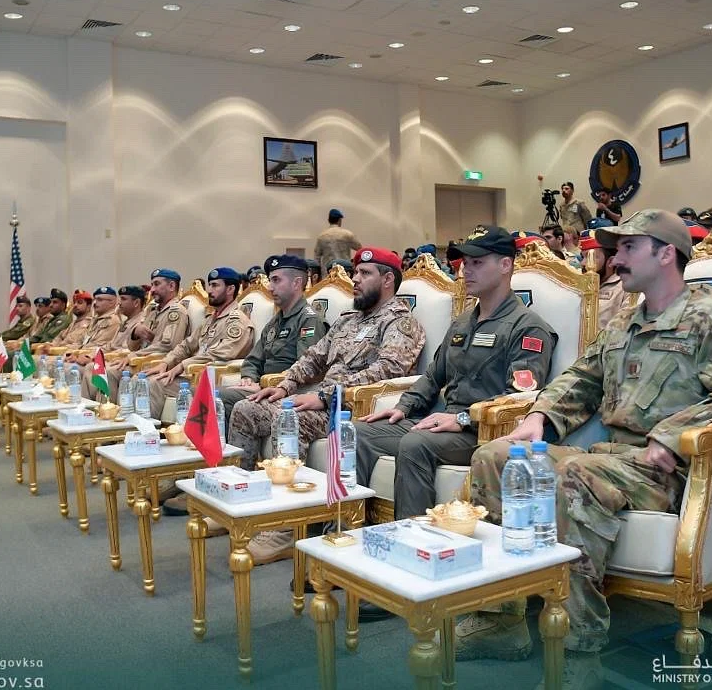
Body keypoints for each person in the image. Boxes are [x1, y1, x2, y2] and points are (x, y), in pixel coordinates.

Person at [460, 210, 712, 690]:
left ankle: (580, 656)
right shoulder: (625, 322)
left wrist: (673, 434)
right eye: (618, 248)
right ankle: (503, 622)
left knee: (574, 474)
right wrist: (540, 416)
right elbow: (581, 378)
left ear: (666, 254)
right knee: (495, 456)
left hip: (668, 470)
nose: (616, 258)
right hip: (609, 457)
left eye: (629, 247)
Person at [227, 247, 426, 564]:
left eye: (364, 274)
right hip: (322, 401)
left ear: (388, 279)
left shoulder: (401, 323)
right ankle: (251, 504)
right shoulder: (348, 320)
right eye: (355, 272)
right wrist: (284, 385)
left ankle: (286, 525)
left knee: (290, 420)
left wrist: (325, 396)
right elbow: (313, 357)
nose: (355, 279)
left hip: (354, 410)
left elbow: (388, 370)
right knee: (247, 409)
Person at [354, 225, 557, 521]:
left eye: (477, 263)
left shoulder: (528, 328)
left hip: (486, 432)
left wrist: (462, 419)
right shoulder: (462, 323)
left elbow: (518, 399)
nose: (465, 271)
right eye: (465, 263)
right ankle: (352, 529)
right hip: (445, 423)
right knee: (356, 432)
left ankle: (416, 537)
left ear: (505, 265)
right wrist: (403, 407)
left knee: (416, 443)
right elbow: (433, 376)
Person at [216, 255, 327, 428]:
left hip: (285, 391)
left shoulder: (308, 320)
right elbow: (253, 359)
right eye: (270, 281)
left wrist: (267, 383)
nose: (269, 287)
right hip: (263, 388)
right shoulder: (275, 321)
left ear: (296, 283)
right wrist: (249, 379)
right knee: (205, 393)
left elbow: (307, 368)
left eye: (276, 280)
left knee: (215, 398)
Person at [144, 267, 254, 419]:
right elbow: (186, 345)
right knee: (145, 380)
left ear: (230, 289)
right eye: (209, 285)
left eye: (215, 285)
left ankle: (151, 430)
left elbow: (220, 354)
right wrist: (166, 362)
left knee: (155, 383)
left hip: (211, 379)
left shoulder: (237, 322)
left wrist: (183, 365)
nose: (209, 290)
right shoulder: (210, 319)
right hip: (193, 375)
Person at [99, 269, 191, 399]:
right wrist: (135, 334)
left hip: (158, 361)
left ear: (171, 286)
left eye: (157, 284)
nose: (152, 290)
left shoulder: (176, 312)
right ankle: (103, 408)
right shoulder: (152, 312)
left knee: (110, 372)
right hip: (142, 359)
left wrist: (134, 356)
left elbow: (167, 346)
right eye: (152, 285)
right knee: (102, 368)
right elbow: (132, 346)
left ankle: (113, 409)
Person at [580, 231, 632, 327]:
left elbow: (624, 327)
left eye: (590, 257)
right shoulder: (577, 285)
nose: (583, 263)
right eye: (582, 257)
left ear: (611, 261)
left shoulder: (626, 288)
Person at [61, 287, 122, 360]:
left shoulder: (112, 320)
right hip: (85, 355)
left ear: (111, 302)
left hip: (95, 358)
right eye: (95, 299)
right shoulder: (95, 320)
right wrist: (68, 351)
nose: (95, 303)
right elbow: (81, 341)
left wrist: (77, 354)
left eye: (100, 300)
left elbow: (98, 345)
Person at [314, 208, 361, 276]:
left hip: (328, 273)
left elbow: (317, 257)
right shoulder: (347, 234)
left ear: (328, 220)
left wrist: (317, 274)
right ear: (339, 220)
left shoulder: (322, 237)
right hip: (345, 271)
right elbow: (360, 249)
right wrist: (355, 265)